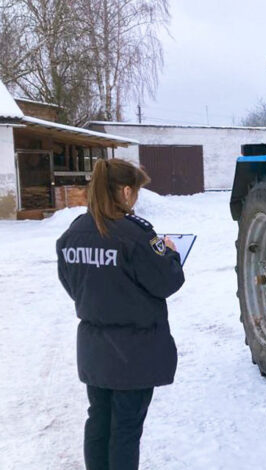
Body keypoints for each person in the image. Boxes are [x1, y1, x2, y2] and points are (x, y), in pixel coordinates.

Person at [56, 158, 185, 470]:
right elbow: (167, 282)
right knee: (125, 428)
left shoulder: (74, 233)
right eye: (136, 191)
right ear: (126, 191)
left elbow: (72, 283)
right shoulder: (137, 235)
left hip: (95, 348)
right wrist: (170, 254)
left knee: (98, 421)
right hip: (134, 352)